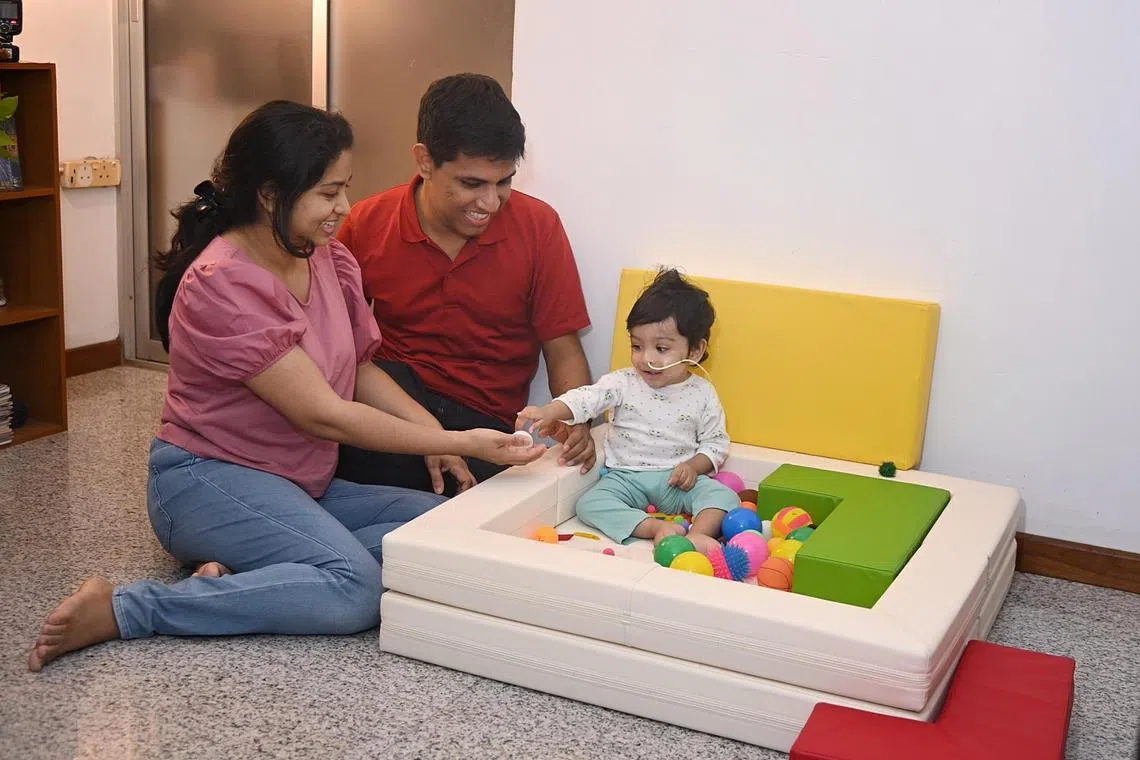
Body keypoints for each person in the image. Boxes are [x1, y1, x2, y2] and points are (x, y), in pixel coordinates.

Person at [27, 100, 544, 672]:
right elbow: (323, 414)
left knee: (440, 529)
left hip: (300, 482)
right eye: (328, 193)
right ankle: (130, 608)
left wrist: (438, 437)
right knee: (355, 588)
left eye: (344, 188)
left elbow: (362, 369)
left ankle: (255, 570)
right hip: (204, 483)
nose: (343, 207)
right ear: (271, 195)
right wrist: (469, 441)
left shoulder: (327, 258)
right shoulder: (221, 283)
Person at [334, 73, 596, 495]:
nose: (490, 203)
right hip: (395, 412)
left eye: (504, 182)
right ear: (424, 161)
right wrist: (426, 434)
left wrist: (576, 418)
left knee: (499, 499)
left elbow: (563, 349)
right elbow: (333, 347)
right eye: (472, 184)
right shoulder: (367, 223)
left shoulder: (538, 226)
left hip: (486, 425)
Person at [516, 269, 740, 554]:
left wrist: (694, 467)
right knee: (589, 504)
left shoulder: (702, 393)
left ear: (694, 351)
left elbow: (716, 442)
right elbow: (587, 398)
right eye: (636, 345)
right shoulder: (622, 382)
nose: (646, 358)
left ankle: (696, 535)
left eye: (661, 348)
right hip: (624, 479)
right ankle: (654, 528)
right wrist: (551, 410)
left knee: (724, 496)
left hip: (677, 483)